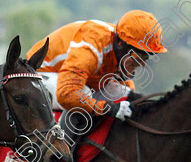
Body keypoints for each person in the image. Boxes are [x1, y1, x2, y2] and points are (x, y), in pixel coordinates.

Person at [24, 10, 167, 149]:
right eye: (138, 57)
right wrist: (107, 108)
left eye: (146, 57)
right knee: (83, 94)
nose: (142, 64)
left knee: (124, 93)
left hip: (69, 76)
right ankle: (59, 159)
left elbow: (123, 91)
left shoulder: (119, 48)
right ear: (121, 44)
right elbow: (66, 95)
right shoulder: (90, 50)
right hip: (37, 74)